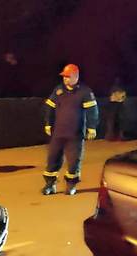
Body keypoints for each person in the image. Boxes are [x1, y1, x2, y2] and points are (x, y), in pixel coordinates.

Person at [42, 63, 99, 195]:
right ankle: (50, 184)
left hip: (75, 134)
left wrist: (92, 127)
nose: (65, 79)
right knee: (52, 159)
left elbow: (92, 110)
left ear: (76, 77)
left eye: (68, 76)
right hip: (58, 133)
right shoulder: (58, 90)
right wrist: (48, 124)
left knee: (74, 162)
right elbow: (50, 107)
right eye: (64, 76)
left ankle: (71, 185)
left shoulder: (85, 92)